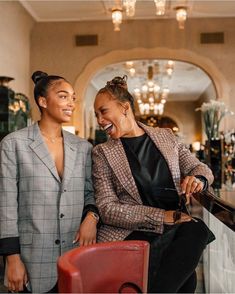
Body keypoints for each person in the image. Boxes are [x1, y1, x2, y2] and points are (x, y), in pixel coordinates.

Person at [92, 75, 214, 293]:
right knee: (196, 235)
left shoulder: (165, 136)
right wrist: (160, 217)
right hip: (135, 231)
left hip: (176, 228)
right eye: (96, 115)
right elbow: (107, 209)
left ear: (124, 107)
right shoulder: (102, 153)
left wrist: (199, 180)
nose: (100, 120)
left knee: (195, 236)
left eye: (103, 111)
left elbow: (200, 168)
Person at [0, 71, 99, 293]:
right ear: (43, 101)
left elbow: (90, 193)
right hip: (32, 259)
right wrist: (12, 259)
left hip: (77, 255)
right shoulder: (13, 144)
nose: (71, 103)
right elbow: (6, 205)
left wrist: (92, 217)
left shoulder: (84, 148)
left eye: (73, 97)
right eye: (63, 96)